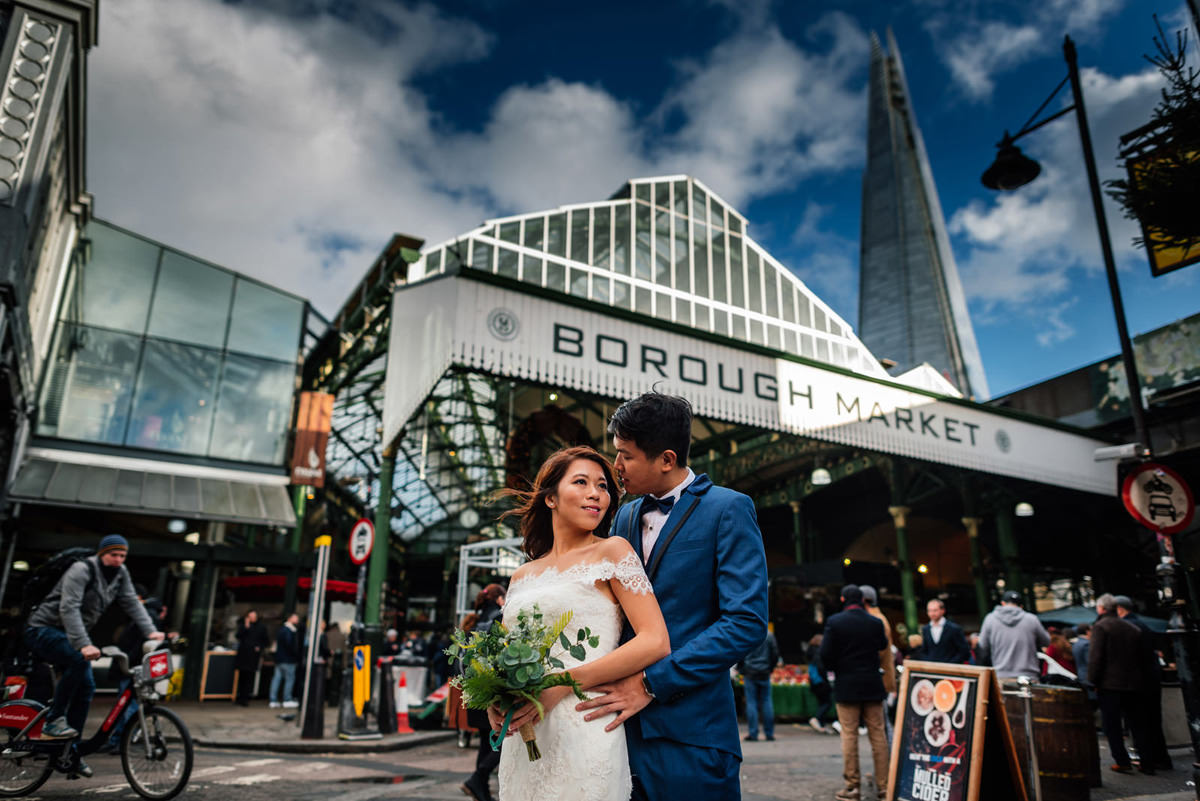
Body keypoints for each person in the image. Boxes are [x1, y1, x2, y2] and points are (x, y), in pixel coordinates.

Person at [573, 393, 769, 801]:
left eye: (626, 455)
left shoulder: (729, 509)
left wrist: (651, 683)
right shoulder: (624, 515)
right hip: (617, 731)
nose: (616, 465)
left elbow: (745, 623)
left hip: (692, 735)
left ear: (666, 459)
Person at [487, 445, 672, 801]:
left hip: (585, 725)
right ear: (551, 498)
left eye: (602, 486)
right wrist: (497, 699)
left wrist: (560, 684)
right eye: (581, 482)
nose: (595, 494)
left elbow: (655, 640)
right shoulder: (522, 575)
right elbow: (505, 656)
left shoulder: (613, 551)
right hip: (526, 734)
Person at [24, 534, 164, 778]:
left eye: (122, 555)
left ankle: (71, 752)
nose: (118, 559)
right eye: (113, 554)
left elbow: (131, 602)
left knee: (86, 686)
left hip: (70, 635)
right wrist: (84, 644)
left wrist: (151, 631)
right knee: (79, 659)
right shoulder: (81, 569)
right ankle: (54, 721)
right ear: (101, 553)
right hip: (43, 629)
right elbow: (69, 607)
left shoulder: (120, 573)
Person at [820, 585, 889, 801]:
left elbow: (825, 653)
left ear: (843, 599)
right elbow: (882, 645)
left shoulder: (835, 622)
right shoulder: (875, 622)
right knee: (878, 735)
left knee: (849, 735)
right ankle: (884, 786)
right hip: (872, 683)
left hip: (847, 684)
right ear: (862, 599)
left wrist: (837, 668)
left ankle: (853, 786)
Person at [1089, 594, 1155, 775]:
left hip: (1109, 685)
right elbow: (1141, 657)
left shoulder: (1101, 627)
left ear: (1102, 609)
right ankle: (1147, 762)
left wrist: (1093, 680)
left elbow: (1096, 658)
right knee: (1138, 724)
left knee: (1113, 726)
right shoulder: (1132, 628)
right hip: (1133, 683)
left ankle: (1122, 761)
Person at [459, 584, 507, 801]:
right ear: (499, 599)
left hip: (473, 688)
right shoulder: (499, 617)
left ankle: (481, 791)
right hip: (491, 688)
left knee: (486, 742)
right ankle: (477, 779)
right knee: (503, 740)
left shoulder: (475, 621)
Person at [1114, 596, 1171, 771]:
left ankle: (1149, 759)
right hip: (1150, 678)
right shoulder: (1141, 624)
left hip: (1138, 681)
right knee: (1153, 720)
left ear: (1119, 609)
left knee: (1140, 722)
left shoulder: (1127, 626)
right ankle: (1161, 759)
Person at [976, 590, 1049, 679]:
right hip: (1029, 676)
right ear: (1021, 606)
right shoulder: (1032, 619)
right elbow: (1046, 641)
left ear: (1002, 603)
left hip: (1001, 675)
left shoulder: (990, 619)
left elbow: (983, 646)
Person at [859, 586, 896, 741]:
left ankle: (891, 754)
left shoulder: (876, 620)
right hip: (880, 675)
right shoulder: (876, 618)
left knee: (882, 723)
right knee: (881, 722)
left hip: (880, 676)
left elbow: (880, 650)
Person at [738, 625, 780, 742]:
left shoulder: (747, 633)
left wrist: (742, 669)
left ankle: (753, 733)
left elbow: (741, 652)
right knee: (766, 701)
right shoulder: (769, 635)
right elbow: (775, 654)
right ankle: (769, 733)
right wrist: (770, 668)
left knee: (751, 702)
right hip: (764, 671)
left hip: (750, 671)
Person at [916, 599, 970, 664]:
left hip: (951, 667)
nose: (932, 613)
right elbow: (924, 650)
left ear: (943, 611)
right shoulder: (925, 629)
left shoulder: (954, 628)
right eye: (929, 610)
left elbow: (964, 651)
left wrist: (951, 664)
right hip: (932, 668)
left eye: (935, 610)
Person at [235, 609, 268, 706]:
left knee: (249, 678)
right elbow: (238, 636)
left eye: (254, 616)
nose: (252, 618)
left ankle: (245, 698)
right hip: (243, 655)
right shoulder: (243, 626)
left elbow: (266, 641)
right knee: (242, 677)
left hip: (253, 656)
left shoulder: (261, 627)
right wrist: (246, 626)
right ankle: (240, 697)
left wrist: (259, 647)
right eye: (250, 616)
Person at [270, 613, 301, 709]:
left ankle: (273, 700)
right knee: (289, 679)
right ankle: (287, 699)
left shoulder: (282, 629)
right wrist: (295, 655)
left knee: (277, 679)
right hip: (288, 659)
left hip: (279, 659)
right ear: (290, 618)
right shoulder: (289, 630)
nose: (297, 620)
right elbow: (290, 645)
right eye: (296, 618)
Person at [806, 634, 835, 734]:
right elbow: (821, 668)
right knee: (827, 703)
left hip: (814, 682)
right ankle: (817, 719)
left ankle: (822, 725)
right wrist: (826, 679)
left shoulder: (811, 651)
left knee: (822, 702)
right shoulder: (818, 653)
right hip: (821, 681)